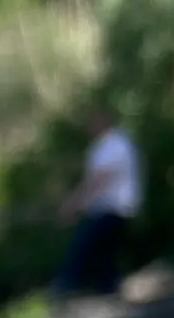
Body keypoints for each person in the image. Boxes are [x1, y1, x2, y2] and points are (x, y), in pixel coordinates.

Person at [53, 106, 142, 297]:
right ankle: (109, 290)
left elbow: (98, 180)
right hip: (105, 209)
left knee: (83, 244)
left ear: (103, 122)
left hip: (115, 208)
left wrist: (72, 205)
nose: (89, 127)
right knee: (103, 254)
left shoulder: (115, 145)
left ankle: (65, 287)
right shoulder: (101, 147)